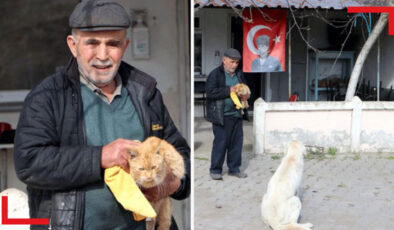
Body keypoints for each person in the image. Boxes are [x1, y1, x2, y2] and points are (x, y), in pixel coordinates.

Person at [13, 1, 190, 229]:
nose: (103, 55)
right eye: (92, 43)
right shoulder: (47, 96)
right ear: (73, 45)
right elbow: (28, 163)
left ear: (125, 45)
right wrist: (99, 157)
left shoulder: (145, 92)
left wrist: (170, 184)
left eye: (113, 44)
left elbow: (181, 153)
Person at [205, 48, 250, 180]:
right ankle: (215, 170)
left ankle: (234, 169)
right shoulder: (215, 74)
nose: (234, 65)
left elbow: (245, 88)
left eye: (237, 62)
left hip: (237, 114)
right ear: (224, 60)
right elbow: (210, 93)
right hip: (221, 115)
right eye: (232, 62)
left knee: (236, 143)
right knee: (221, 143)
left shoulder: (239, 74)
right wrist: (229, 90)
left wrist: (245, 95)